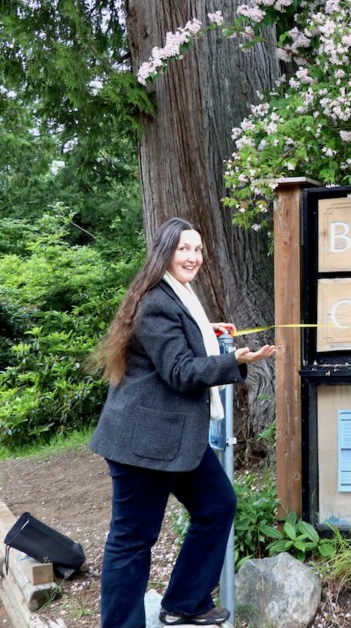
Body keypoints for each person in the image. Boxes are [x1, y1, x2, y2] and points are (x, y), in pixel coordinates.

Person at [88, 217, 276, 627]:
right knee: (132, 541)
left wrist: (207, 332)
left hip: (176, 440)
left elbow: (177, 338)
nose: (193, 257)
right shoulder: (156, 300)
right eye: (184, 249)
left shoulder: (178, 296)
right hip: (143, 441)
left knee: (217, 505)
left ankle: (184, 603)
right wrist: (233, 361)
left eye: (198, 249)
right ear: (165, 253)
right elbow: (179, 371)